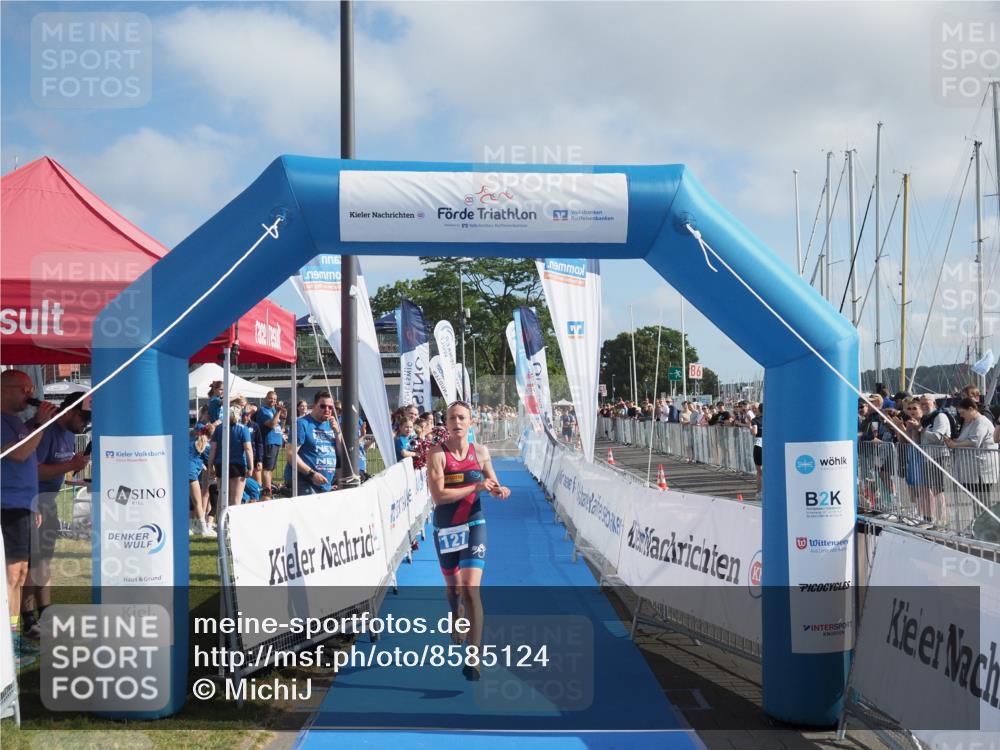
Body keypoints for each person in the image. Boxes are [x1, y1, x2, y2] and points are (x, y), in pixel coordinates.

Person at [426, 400, 510, 681]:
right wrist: (474, 486)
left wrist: (499, 490)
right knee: (453, 591)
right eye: (452, 418)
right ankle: (455, 615)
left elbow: (493, 483)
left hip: (474, 523)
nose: (457, 422)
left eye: (462, 418)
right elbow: (438, 497)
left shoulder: (481, 452)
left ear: (471, 422)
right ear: (446, 424)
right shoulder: (437, 455)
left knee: (470, 588)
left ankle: (474, 658)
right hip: (447, 527)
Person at [1, 369, 58, 669]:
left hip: (23, 505)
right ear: (5, 390)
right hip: (8, 506)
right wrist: (41, 423)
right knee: (12, 575)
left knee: (22, 574)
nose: (29, 393)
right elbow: (20, 455)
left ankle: (15, 632)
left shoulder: (17, 423)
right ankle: (7, 640)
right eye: (24, 388)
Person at [23, 400, 91, 640]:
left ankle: (46, 615)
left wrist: (76, 470)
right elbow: (35, 470)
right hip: (32, 502)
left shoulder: (69, 434)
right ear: (70, 411)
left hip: (48, 502)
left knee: (43, 563)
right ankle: (28, 620)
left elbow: (60, 469)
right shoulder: (45, 430)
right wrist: (71, 464)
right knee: (31, 565)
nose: (86, 424)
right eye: (84, 418)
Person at [285, 391, 340, 494]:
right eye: (323, 406)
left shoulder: (332, 425)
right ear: (314, 406)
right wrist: (311, 474)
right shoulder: (302, 424)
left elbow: (342, 453)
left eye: (330, 407)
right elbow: (290, 454)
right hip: (305, 482)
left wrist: (338, 433)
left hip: (325, 483)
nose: (327, 410)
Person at [945, 398, 999, 501]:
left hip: (981, 471)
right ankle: (981, 517)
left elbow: (974, 442)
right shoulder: (970, 422)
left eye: (962, 412)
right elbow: (966, 439)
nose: (961, 415)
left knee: (981, 500)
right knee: (977, 500)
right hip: (971, 470)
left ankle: (985, 517)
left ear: (971, 409)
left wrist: (955, 445)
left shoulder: (981, 421)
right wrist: (954, 441)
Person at [208, 406, 253, 508]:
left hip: (221, 464)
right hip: (237, 465)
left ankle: (220, 522)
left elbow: (213, 450)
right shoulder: (243, 429)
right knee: (235, 500)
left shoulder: (219, 429)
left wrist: (210, 466)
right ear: (239, 415)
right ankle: (232, 523)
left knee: (221, 498)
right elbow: (248, 449)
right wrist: (251, 467)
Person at [255, 392, 287, 498]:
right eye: (270, 398)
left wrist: (283, 418)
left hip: (276, 441)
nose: (273, 401)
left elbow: (280, 427)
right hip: (269, 441)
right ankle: (267, 493)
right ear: (265, 399)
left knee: (271, 469)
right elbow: (272, 424)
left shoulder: (273, 410)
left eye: (274, 399)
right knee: (267, 469)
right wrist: (278, 412)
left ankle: (268, 490)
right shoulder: (263, 411)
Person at [189, 424, 215, 536]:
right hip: (190, 473)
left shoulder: (193, 440)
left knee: (190, 500)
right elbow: (210, 465)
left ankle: (191, 527)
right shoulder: (207, 446)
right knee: (198, 502)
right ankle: (203, 529)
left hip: (180, 470)